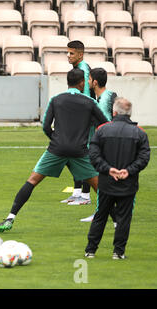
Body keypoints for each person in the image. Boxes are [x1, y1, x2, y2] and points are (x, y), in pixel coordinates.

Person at [0, 68, 109, 232]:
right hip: (79, 151)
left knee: (32, 181)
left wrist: (56, 141)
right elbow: (104, 125)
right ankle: (117, 222)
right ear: (82, 83)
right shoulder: (89, 102)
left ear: (67, 82)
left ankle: (10, 218)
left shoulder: (56, 100)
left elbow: (46, 127)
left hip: (57, 149)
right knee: (100, 188)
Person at [84, 98, 150, 259]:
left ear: (114, 112)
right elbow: (144, 157)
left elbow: (93, 154)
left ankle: (90, 250)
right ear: (130, 113)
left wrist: (108, 169)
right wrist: (128, 171)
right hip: (128, 184)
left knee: (100, 215)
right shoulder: (140, 133)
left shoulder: (102, 130)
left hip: (106, 183)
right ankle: (118, 252)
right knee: (124, 218)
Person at [80, 67, 118, 222]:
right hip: (114, 143)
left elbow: (102, 125)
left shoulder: (101, 103)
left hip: (106, 146)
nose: (87, 82)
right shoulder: (111, 95)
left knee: (103, 181)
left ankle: (101, 213)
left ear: (94, 82)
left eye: (89, 80)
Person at [61, 40, 96, 206]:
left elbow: (86, 98)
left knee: (81, 154)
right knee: (71, 154)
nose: (68, 56)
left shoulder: (83, 69)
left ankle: (85, 196)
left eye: (71, 53)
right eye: (67, 53)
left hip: (84, 120)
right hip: (79, 118)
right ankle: (77, 192)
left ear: (80, 54)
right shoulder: (77, 68)